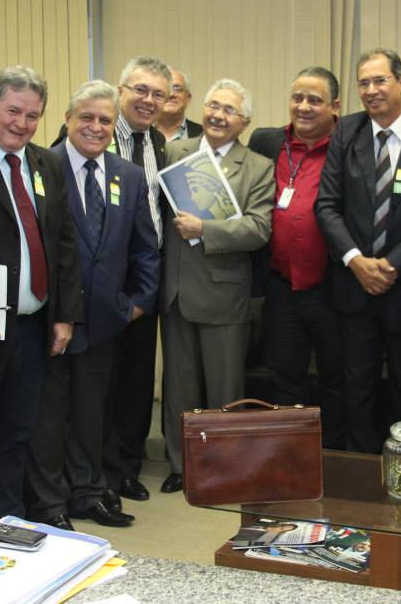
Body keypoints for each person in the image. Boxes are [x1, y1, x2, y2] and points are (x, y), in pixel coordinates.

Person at [0, 65, 82, 520]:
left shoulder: (46, 164)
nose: (21, 124)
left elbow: (64, 244)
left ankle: (9, 522)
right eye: (13, 111)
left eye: (32, 115)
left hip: (32, 330)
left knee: (16, 435)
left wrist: (64, 314)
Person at [26, 80, 159, 530]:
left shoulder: (128, 174)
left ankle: (89, 492)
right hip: (51, 318)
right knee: (50, 417)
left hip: (106, 319)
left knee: (91, 414)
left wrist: (138, 302)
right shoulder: (41, 166)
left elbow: (145, 246)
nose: (96, 127)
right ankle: (50, 501)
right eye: (86, 117)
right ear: (66, 120)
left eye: (105, 119)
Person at [314, 49, 401, 453]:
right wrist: (356, 261)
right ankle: (362, 481)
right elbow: (326, 206)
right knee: (356, 389)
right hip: (353, 290)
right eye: (364, 83)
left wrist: (391, 265)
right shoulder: (346, 134)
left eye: (380, 81)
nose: (372, 91)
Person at [159, 78, 275, 493]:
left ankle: (225, 468)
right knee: (178, 388)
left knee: (225, 390)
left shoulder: (259, 167)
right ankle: (181, 466)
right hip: (175, 291)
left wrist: (204, 228)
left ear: (243, 121)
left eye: (228, 110)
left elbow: (259, 228)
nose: (217, 115)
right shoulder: (175, 153)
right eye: (212, 106)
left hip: (225, 294)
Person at [247, 66, 345, 449]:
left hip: (331, 289)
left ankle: (335, 459)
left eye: (315, 100)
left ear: (335, 107)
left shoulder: (346, 146)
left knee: (337, 379)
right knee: (284, 377)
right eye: (297, 98)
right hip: (281, 286)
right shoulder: (267, 142)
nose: (303, 107)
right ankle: (289, 459)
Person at [102, 56, 172, 501]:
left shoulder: (158, 144)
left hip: (147, 280)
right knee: (99, 382)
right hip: (103, 281)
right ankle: (98, 471)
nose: (148, 101)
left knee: (135, 382)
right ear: (121, 89)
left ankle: (126, 468)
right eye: (140, 90)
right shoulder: (96, 132)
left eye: (158, 94)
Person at [155, 67, 202, 142]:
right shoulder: (139, 133)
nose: (171, 94)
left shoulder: (204, 136)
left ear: (188, 98)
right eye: (165, 88)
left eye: (177, 89)